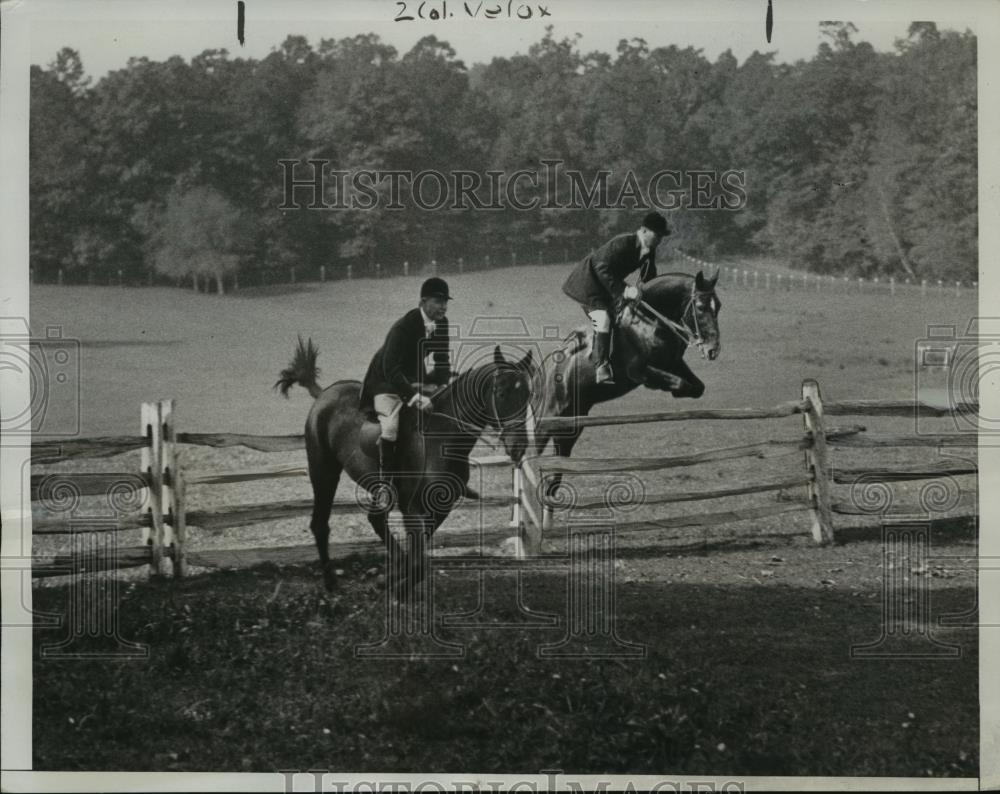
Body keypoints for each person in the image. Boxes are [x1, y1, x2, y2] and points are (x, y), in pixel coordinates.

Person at [359, 276, 453, 492]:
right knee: (391, 427)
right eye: (438, 301)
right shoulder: (403, 327)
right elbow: (391, 368)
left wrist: (443, 385)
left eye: (446, 302)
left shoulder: (442, 323)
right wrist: (415, 397)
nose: (443, 307)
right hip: (385, 380)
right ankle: (385, 484)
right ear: (423, 302)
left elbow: (442, 361)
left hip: (413, 377)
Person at [561, 211, 670, 384]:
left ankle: (587, 338)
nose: (659, 240)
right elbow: (601, 268)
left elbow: (649, 277)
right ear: (643, 231)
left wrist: (654, 293)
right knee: (603, 319)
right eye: (657, 235)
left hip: (606, 286)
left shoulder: (649, 250)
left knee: (626, 315)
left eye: (661, 237)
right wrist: (624, 290)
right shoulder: (623, 243)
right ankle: (601, 367)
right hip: (588, 285)